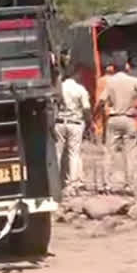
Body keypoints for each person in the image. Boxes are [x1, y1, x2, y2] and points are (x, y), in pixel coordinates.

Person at [97, 53, 137, 195]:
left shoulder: (110, 81)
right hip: (129, 119)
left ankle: (106, 185)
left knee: (109, 153)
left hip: (113, 119)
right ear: (127, 66)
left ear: (113, 67)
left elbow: (101, 101)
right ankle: (129, 186)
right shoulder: (134, 81)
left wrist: (96, 114)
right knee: (129, 154)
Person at [54, 64, 91, 195]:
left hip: (59, 122)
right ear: (76, 74)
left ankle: (55, 183)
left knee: (58, 154)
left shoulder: (58, 88)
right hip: (75, 123)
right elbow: (86, 109)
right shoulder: (80, 89)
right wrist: (89, 123)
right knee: (73, 153)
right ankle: (72, 184)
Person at [92, 64, 116, 143]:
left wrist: (96, 109)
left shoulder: (101, 80)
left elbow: (98, 95)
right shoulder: (115, 80)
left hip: (103, 105)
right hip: (113, 106)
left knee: (99, 125)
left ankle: (99, 143)